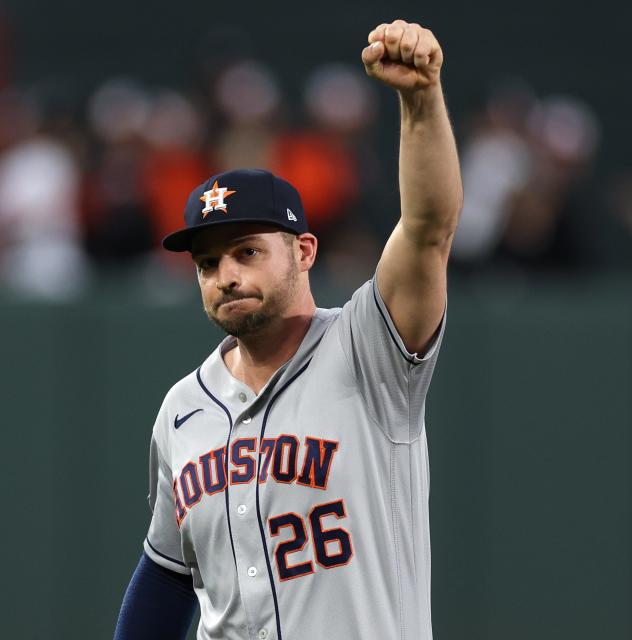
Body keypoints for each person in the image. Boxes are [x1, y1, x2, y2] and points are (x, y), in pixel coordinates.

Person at [113, 19, 461, 640]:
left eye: (247, 252)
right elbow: (165, 574)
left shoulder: (367, 350)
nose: (225, 275)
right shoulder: (182, 409)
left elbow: (429, 225)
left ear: (302, 251)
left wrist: (421, 98)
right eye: (207, 263)